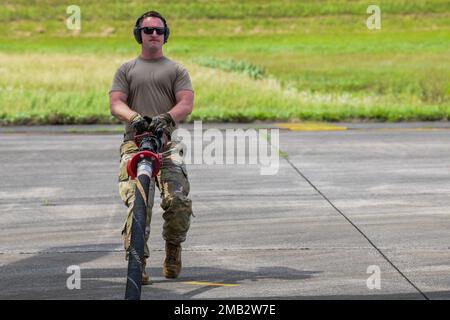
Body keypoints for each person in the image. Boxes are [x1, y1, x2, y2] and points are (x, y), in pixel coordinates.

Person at [109, 10, 194, 285]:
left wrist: (166, 119)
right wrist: (135, 118)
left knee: (177, 201)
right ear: (139, 35)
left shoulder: (177, 70)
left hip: (167, 147)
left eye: (159, 30)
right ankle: (137, 263)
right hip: (135, 146)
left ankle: (173, 250)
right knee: (138, 203)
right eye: (148, 30)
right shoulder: (126, 69)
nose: (154, 34)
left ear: (165, 35)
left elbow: (186, 102)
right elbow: (116, 103)